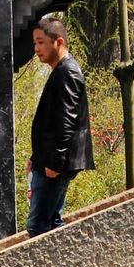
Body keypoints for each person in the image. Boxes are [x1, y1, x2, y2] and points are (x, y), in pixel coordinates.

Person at [27, 15, 94, 236]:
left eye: (41, 42)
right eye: (35, 43)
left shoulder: (67, 72)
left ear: (59, 42)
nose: (36, 49)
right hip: (48, 161)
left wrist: (54, 163)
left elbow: (66, 122)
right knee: (48, 222)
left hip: (55, 164)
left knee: (39, 226)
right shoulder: (61, 71)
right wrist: (35, 158)